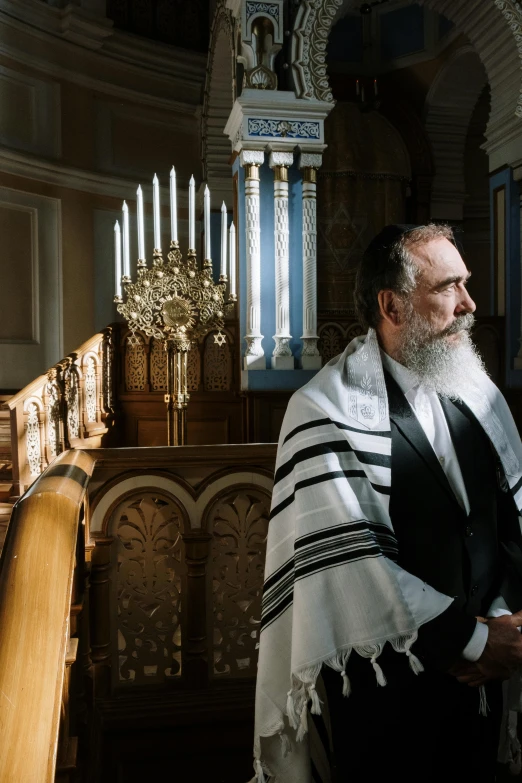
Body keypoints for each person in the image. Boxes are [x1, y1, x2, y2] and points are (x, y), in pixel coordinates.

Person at [251, 224, 522, 783]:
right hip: (390, 697)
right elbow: (355, 568)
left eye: (466, 284)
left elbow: (512, 516)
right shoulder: (324, 409)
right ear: (391, 305)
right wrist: (473, 642)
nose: (470, 305)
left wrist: (500, 624)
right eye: (449, 288)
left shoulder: (477, 391)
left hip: (487, 680)